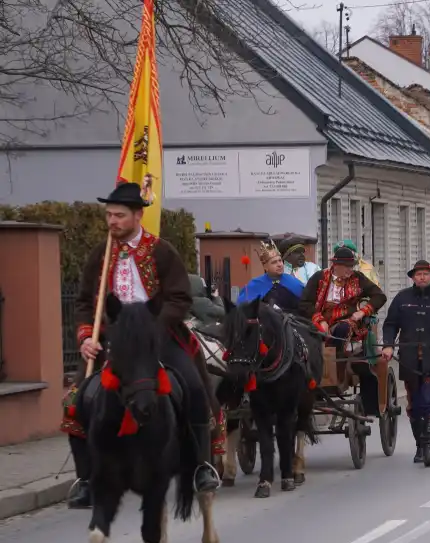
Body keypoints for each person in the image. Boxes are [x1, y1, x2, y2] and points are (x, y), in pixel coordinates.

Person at [63, 182, 221, 508]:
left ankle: (202, 466)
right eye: (108, 215)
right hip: (113, 342)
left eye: (119, 215)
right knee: (76, 401)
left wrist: (153, 327)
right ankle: (87, 479)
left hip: (159, 337)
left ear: (137, 215)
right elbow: (83, 303)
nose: (112, 222)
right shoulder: (100, 255)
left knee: (193, 388)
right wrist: (86, 337)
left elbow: (179, 298)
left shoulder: (161, 251)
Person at [381, 260, 430, 466]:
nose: (422, 277)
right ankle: (419, 446)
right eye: (419, 274)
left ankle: (427, 448)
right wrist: (388, 345)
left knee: (429, 402)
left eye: (426, 274)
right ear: (413, 278)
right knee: (414, 405)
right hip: (409, 358)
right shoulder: (402, 298)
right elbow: (390, 324)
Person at [300, 246, 387, 415]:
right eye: (346, 267)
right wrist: (320, 320)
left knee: (342, 330)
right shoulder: (319, 277)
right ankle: (313, 378)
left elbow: (379, 296)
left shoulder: (358, 278)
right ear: (335, 265)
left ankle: (334, 373)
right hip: (320, 318)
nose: (350, 270)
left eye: (351, 266)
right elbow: (305, 303)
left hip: (348, 320)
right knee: (307, 338)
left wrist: (363, 311)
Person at [237, 240, 305, 313]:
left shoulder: (294, 282)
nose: (279, 264)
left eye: (280, 261)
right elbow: (242, 310)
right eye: (274, 262)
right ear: (265, 267)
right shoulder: (254, 284)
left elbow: (306, 305)